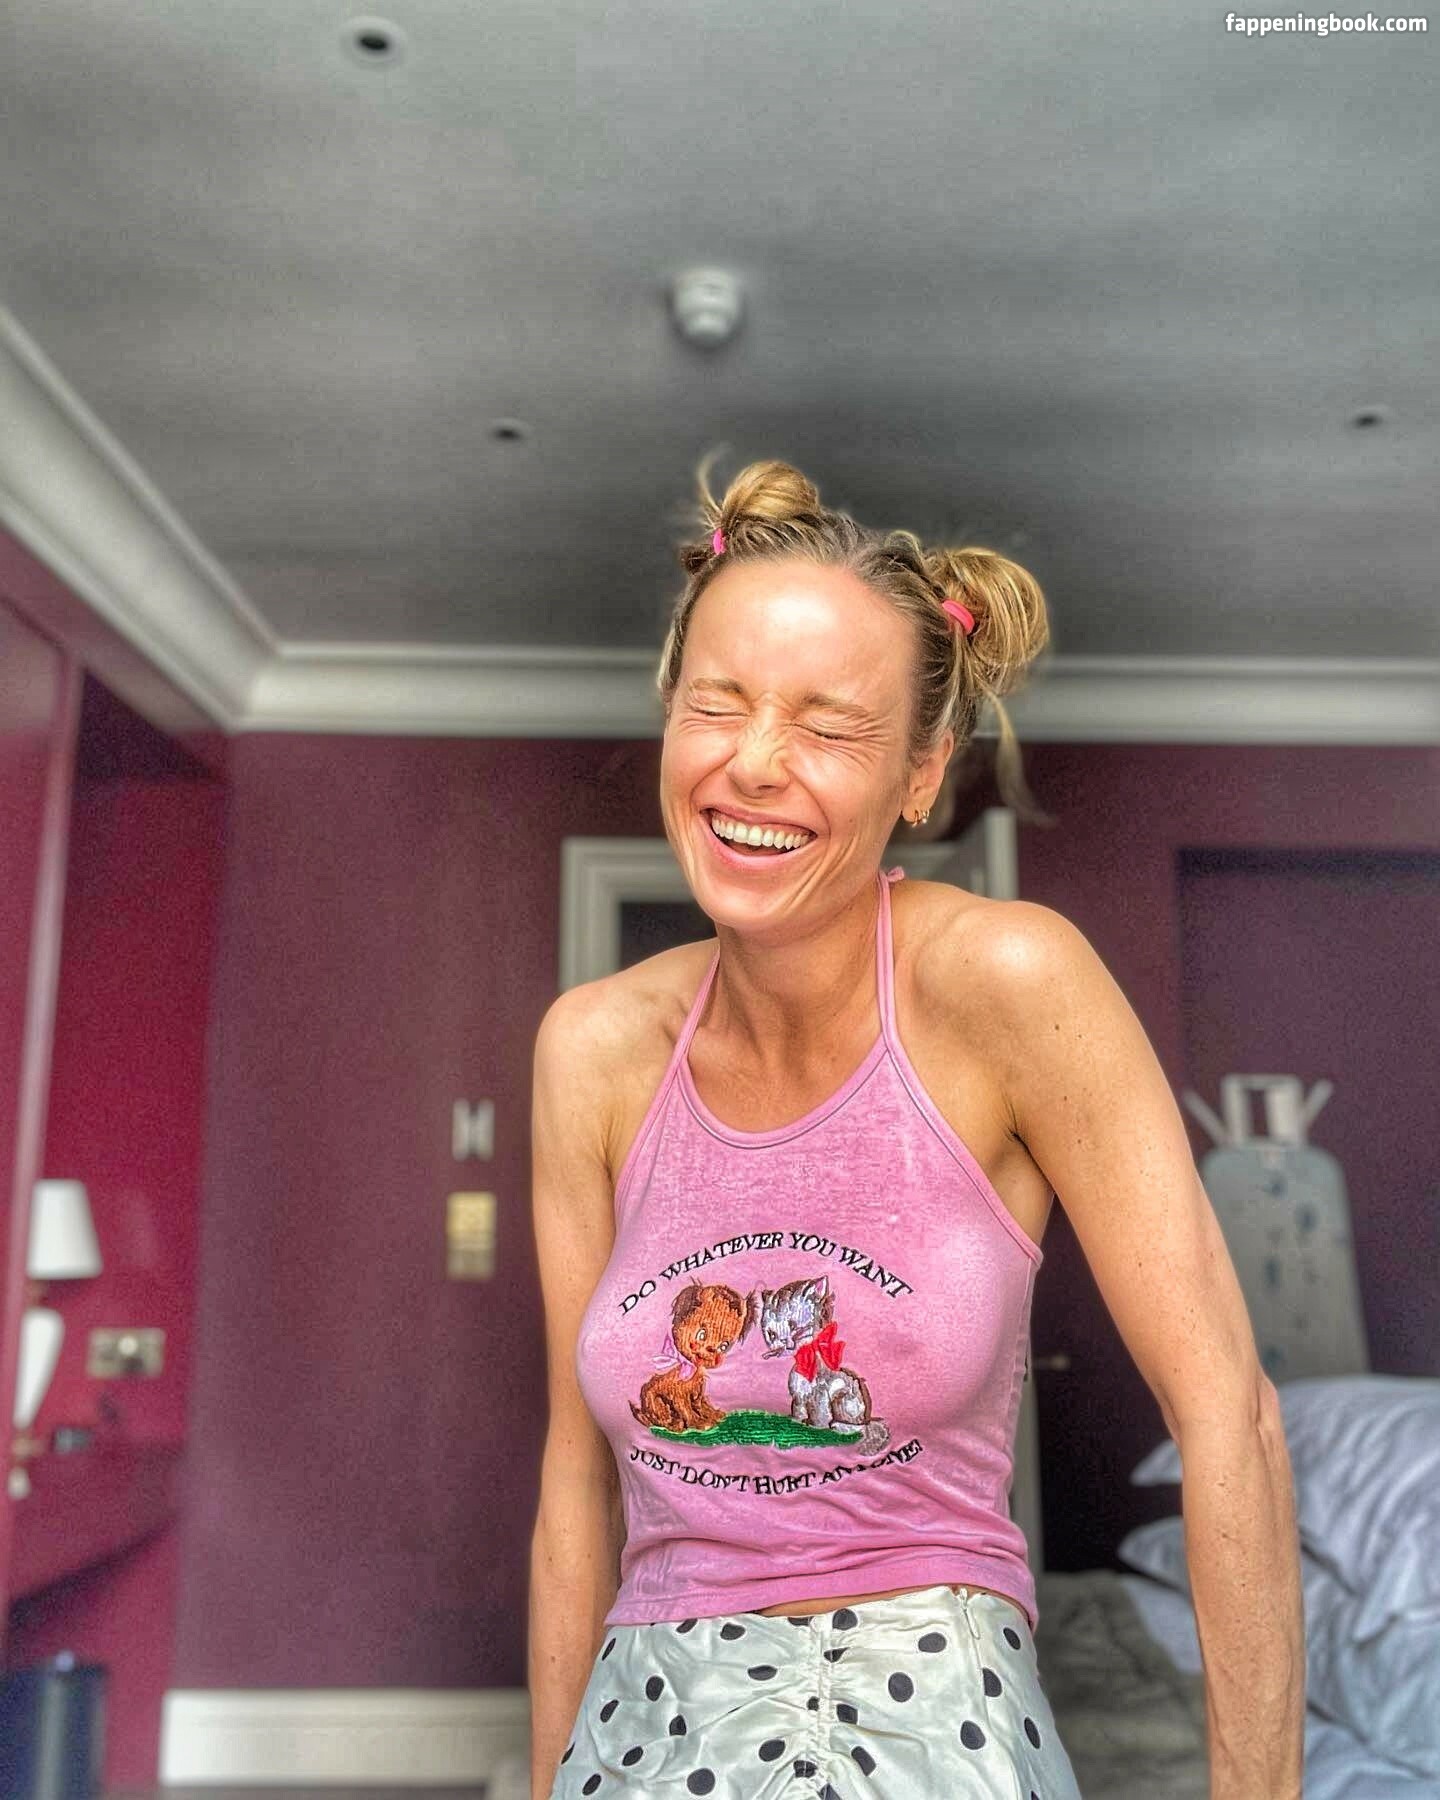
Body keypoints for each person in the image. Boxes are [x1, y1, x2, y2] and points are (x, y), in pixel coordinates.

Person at [528, 458, 1304, 1800]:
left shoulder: (1010, 982)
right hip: (638, 1730)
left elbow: (1228, 1415)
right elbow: (572, 1490)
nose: (753, 763)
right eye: (716, 703)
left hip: (925, 1727)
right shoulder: (589, 1050)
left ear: (921, 773)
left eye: (829, 727)